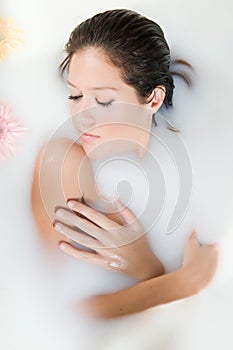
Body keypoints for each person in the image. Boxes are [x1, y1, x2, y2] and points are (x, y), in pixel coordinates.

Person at [31, 8, 218, 318]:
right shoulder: (62, 162)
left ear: (154, 100)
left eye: (103, 101)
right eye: (75, 95)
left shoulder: (194, 152)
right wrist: (181, 282)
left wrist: (148, 267)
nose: (81, 116)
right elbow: (58, 310)